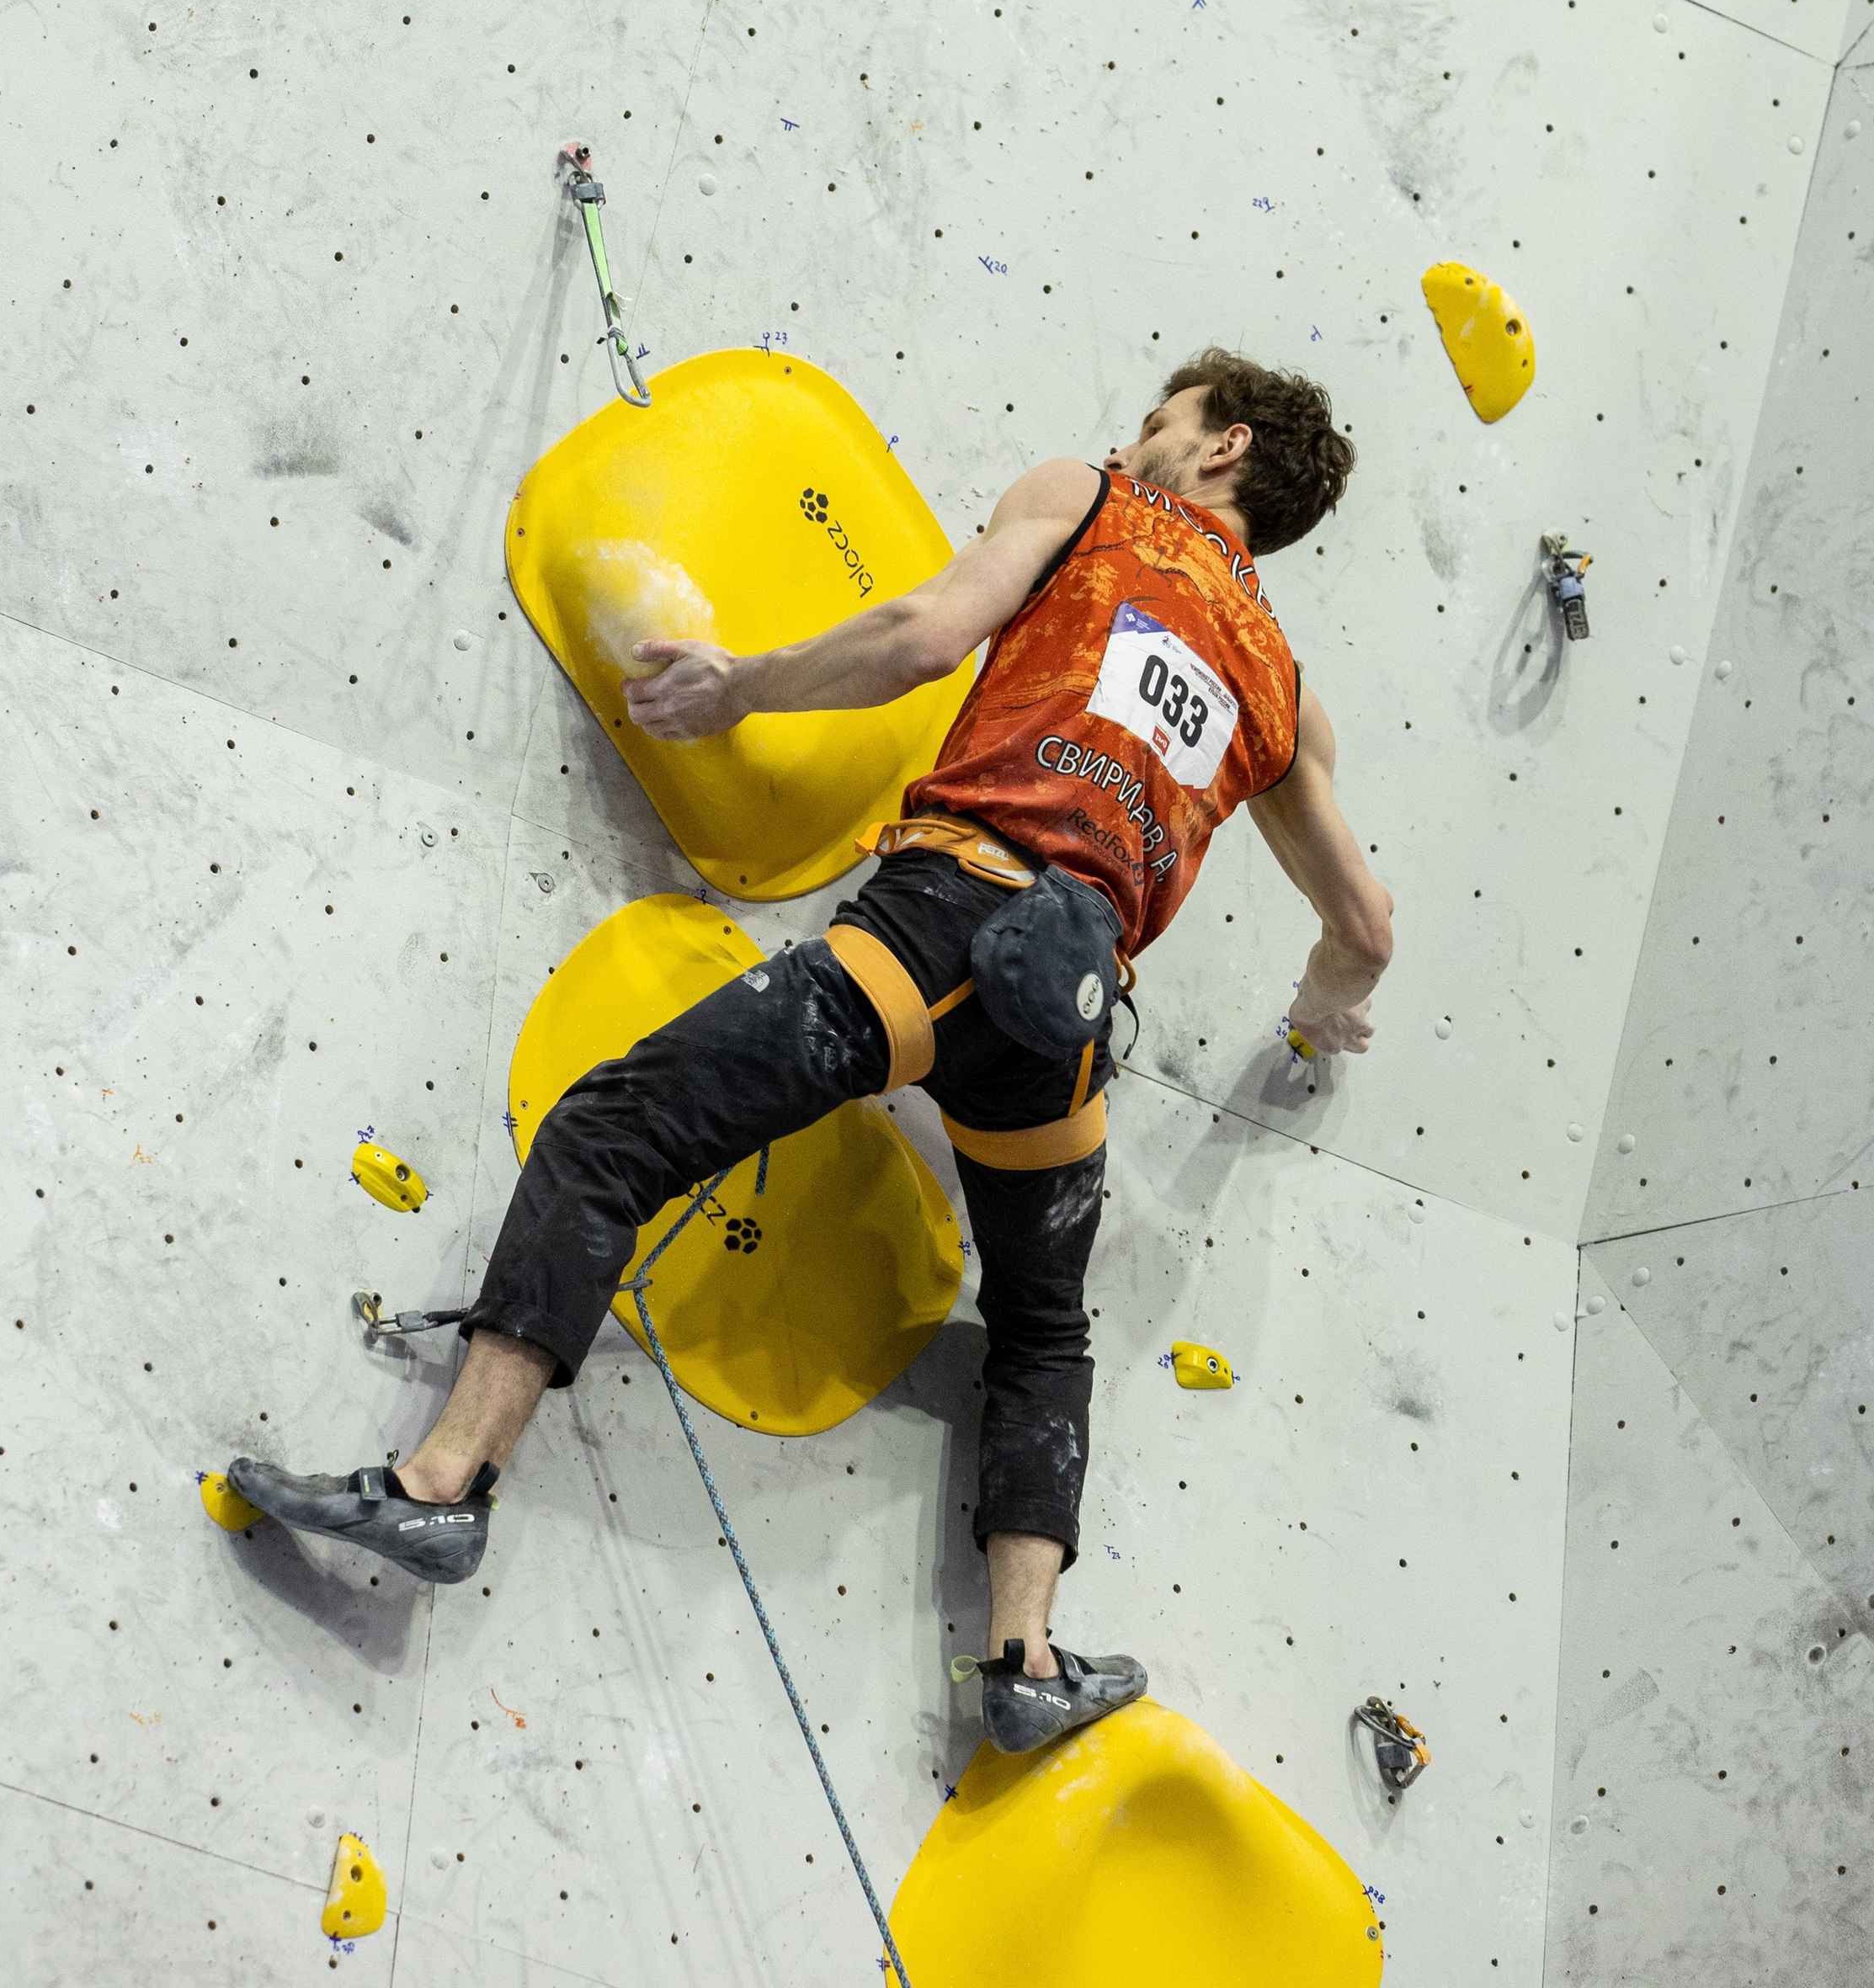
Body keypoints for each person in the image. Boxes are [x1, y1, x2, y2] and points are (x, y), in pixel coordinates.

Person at [230, 350, 1394, 1753]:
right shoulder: (1283, 694)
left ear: (1226, 447)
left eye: (1160, 420)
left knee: (613, 1132)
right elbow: (1368, 925)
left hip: (941, 926)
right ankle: (1021, 1659)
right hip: (1063, 1032)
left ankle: (441, 1481)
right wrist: (1322, 1011)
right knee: (1040, 1330)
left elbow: (920, 634)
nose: (1130, 435)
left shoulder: (1088, 504)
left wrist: (743, 691)